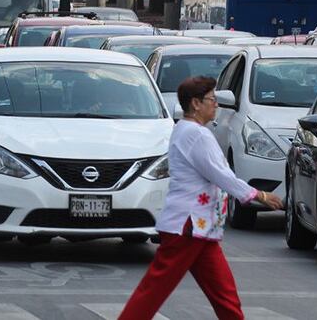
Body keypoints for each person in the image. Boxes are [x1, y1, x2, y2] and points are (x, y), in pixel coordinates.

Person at [118, 76, 283, 320]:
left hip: (200, 228)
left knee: (224, 294)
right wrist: (256, 194)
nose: (215, 104)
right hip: (188, 226)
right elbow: (220, 174)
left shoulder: (187, 130)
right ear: (196, 104)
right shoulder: (196, 135)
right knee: (153, 291)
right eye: (212, 100)